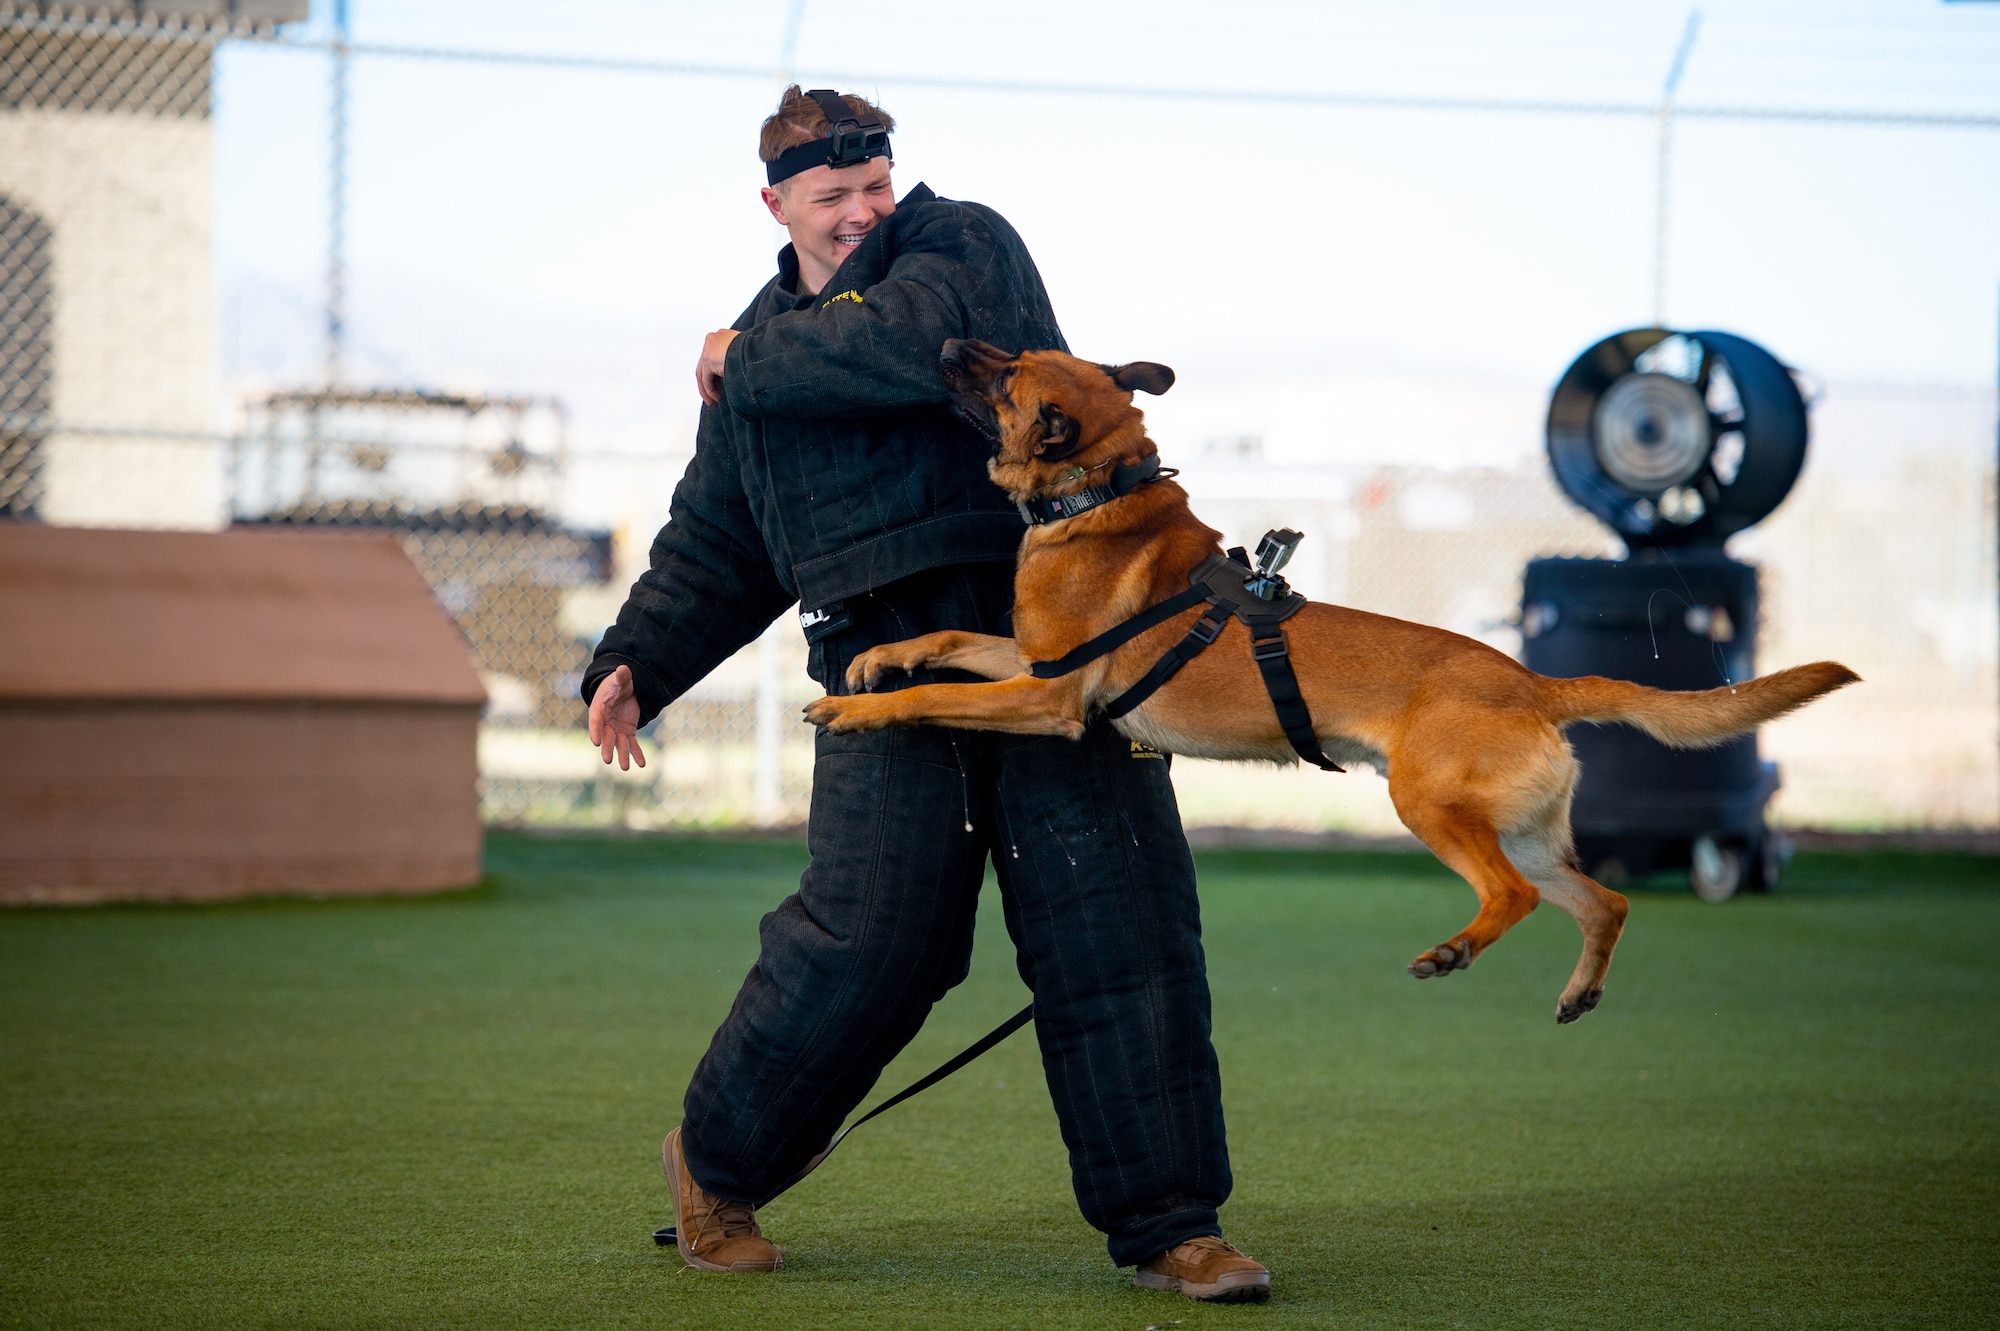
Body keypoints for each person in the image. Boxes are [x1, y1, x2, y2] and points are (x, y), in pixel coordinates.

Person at [582, 86, 1269, 1304]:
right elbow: (718, 539)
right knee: (874, 940)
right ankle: (717, 1164)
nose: (860, 212)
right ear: (776, 204)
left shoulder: (961, 247)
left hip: (1051, 633)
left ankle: (1174, 1225)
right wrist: (635, 661)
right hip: (880, 652)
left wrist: (744, 355)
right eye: (832, 197)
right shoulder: (753, 360)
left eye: (872, 187)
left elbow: (904, 342)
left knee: (1119, 928)